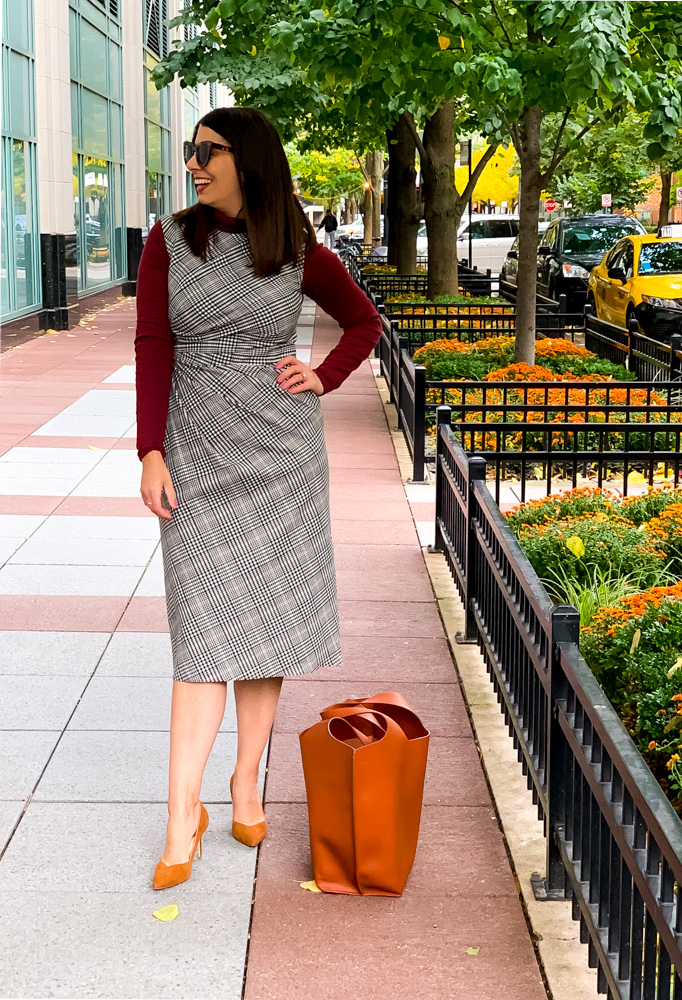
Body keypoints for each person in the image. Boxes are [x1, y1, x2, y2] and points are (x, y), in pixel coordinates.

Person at [134, 107, 381, 890]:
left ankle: (244, 781)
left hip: (281, 456)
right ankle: (182, 814)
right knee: (203, 629)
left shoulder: (299, 250)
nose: (195, 164)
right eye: (192, 151)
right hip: (197, 453)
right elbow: (153, 341)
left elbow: (363, 322)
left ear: (251, 161)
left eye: (208, 153)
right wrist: (149, 450)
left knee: (265, 618)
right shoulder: (169, 240)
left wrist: (325, 374)